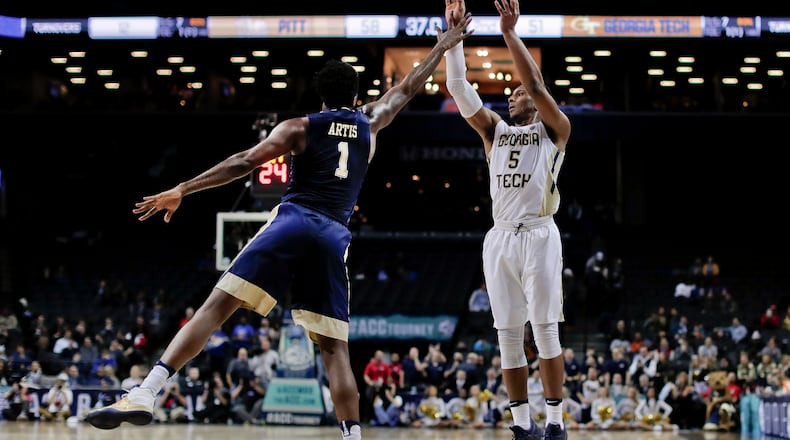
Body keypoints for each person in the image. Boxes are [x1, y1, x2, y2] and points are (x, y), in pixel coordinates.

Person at [84, 14, 474, 440]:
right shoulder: (372, 120)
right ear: (357, 94)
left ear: (320, 97)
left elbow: (243, 163)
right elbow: (407, 88)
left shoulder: (300, 126)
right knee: (335, 349)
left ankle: (147, 390)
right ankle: (353, 436)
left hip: (293, 220)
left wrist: (183, 187)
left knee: (215, 308)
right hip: (333, 234)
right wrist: (442, 46)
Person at [443, 0, 572, 439]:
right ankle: (522, 426)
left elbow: (535, 84)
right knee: (508, 336)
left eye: (516, 93)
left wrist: (508, 33)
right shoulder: (494, 130)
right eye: (510, 93)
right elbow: (459, 86)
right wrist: (454, 38)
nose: (512, 96)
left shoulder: (555, 128)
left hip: (539, 234)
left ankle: (555, 423)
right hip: (499, 237)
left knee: (546, 327)